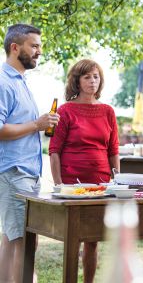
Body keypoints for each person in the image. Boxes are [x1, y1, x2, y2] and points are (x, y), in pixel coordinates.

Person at [48, 59, 119, 283]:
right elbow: (54, 150)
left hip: (101, 183)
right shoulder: (65, 111)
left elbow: (113, 150)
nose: (92, 81)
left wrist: (117, 181)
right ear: (77, 81)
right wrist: (59, 185)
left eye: (96, 76)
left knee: (93, 239)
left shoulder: (108, 111)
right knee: (73, 238)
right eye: (87, 77)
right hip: (71, 184)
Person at [0, 24, 59, 283]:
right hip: (13, 173)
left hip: (27, 173)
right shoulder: (3, 82)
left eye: (39, 47)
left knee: (13, 240)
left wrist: (41, 124)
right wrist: (37, 124)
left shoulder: (20, 81)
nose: (39, 51)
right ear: (15, 47)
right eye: (34, 46)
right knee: (22, 244)